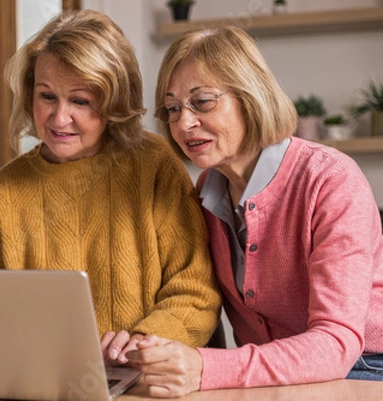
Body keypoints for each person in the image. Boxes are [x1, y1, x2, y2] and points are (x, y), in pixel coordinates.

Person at [125, 25, 383, 397]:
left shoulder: (330, 179)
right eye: (173, 108)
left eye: (203, 102)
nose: (183, 123)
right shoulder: (205, 191)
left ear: (250, 95)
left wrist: (203, 366)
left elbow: (336, 344)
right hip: (267, 378)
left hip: (365, 367)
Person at [0, 9, 221, 363]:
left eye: (80, 101)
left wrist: (141, 345)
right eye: (47, 96)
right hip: (45, 379)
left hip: (149, 376)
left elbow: (195, 291)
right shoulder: (7, 189)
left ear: (114, 103)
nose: (60, 118)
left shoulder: (153, 164)